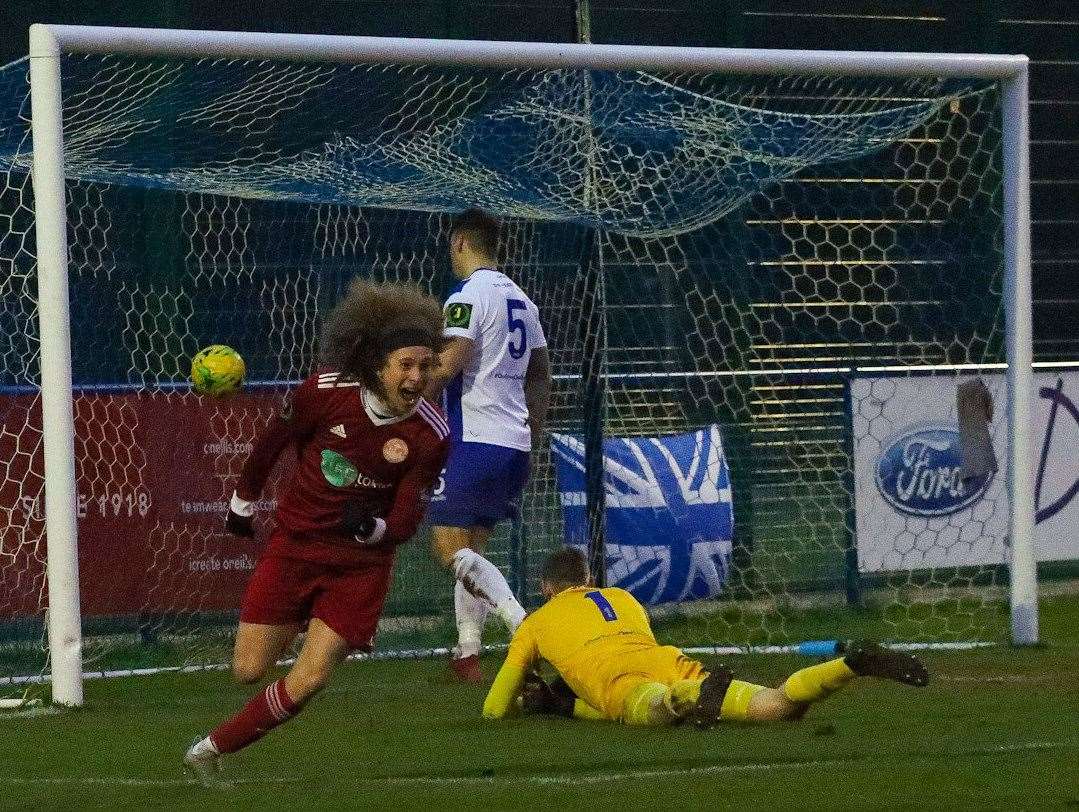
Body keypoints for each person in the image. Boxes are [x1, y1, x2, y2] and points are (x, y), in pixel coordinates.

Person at [183, 279, 450, 784]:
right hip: (295, 548)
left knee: (310, 677)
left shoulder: (430, 433)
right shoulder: (323, 394)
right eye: (406, 365)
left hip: (360, 566)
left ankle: (211, 748)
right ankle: (302, 617)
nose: (417, 377)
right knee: (247, 669)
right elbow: (271, 444)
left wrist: (374, 529)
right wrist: (243, 503)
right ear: (376, 365)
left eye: (425, 366)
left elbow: (408, 515)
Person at [483, 548, 929, 727]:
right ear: (589, 579)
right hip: (664, 658)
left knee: (652, 705)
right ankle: (851, 664)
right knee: (776, 707)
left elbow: (494, 707)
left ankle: (685, 700)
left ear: (546, 588)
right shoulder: (621, 597)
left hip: (617, 677)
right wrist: (560, 704)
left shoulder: (535, 622)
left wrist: (519, 701)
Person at [423, 208, 551, 683]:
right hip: (513, 444)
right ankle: (467, 653)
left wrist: (405, 397)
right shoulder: (523, 300)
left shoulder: (468, 295)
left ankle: (524, 624)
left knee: (449, 548)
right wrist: (532, 428)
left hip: (474, 440)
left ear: (459, 243)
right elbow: (541, 373)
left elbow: (449, 362)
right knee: (473, 551)